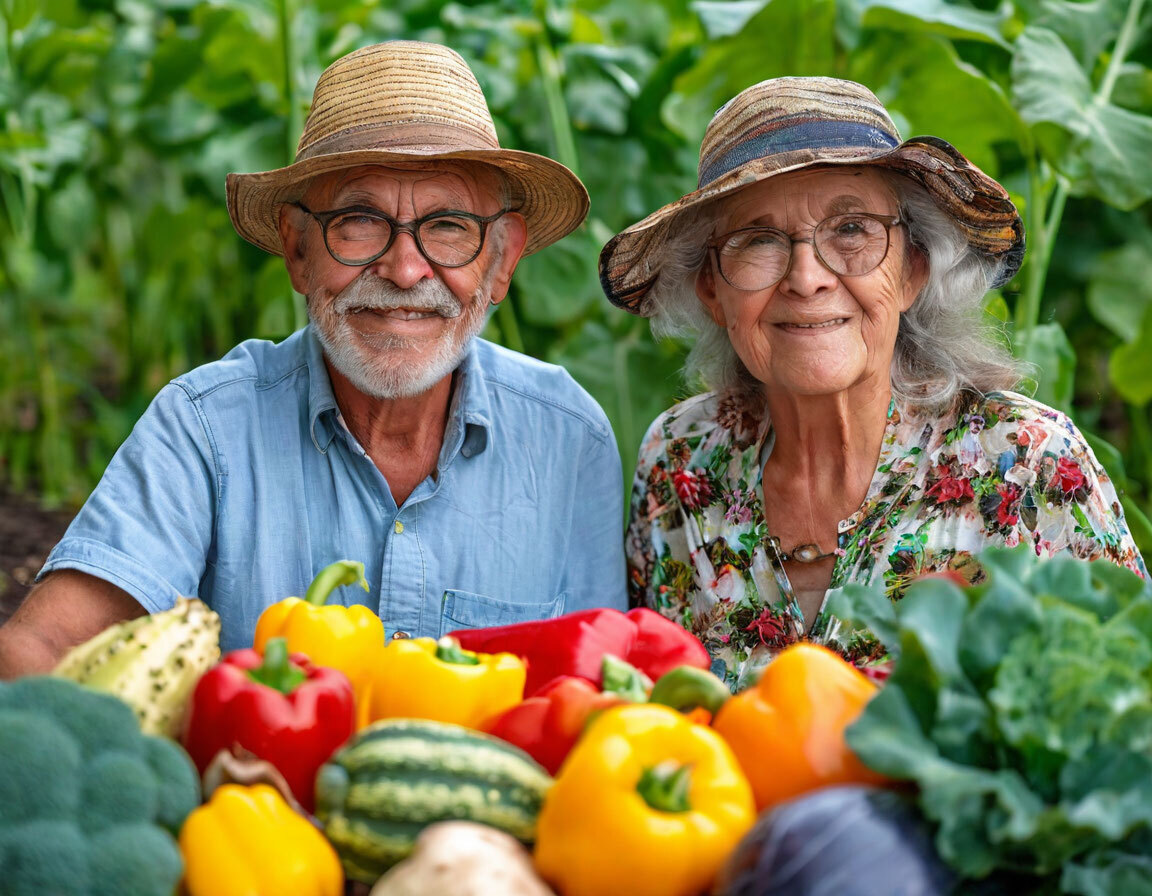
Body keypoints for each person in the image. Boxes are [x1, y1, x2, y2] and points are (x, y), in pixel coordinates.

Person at [0, 40, 627, 674]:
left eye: (448, 226)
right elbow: (42, 649)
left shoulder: (569, 440)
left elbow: (600, 691)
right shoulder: (205, 428)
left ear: (502, 262)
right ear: (297, 251)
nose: (406, 271)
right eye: (359, 219)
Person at [598, 76, 1147, 689]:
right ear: (713, 291)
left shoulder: (1026, 463)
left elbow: (1128, 709)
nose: (807, 278)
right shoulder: (681, 460)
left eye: (852, 230)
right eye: (757, 240)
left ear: (912, 268)